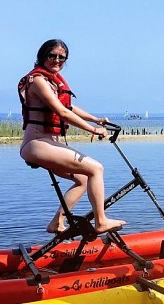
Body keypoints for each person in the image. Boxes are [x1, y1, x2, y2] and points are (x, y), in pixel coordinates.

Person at [18, 39, 125, 234]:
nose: (57, 60)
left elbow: (70, 107)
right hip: (36, 143)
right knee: (96, 168)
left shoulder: (51, 80)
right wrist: (93, 130)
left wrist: (96, 119)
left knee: (83, 179)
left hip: (48, 142)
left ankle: (57, 223)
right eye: (52, 56)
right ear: (42, 56)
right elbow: (62, 113)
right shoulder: (38, 81)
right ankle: (101, 222)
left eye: (62, 57)